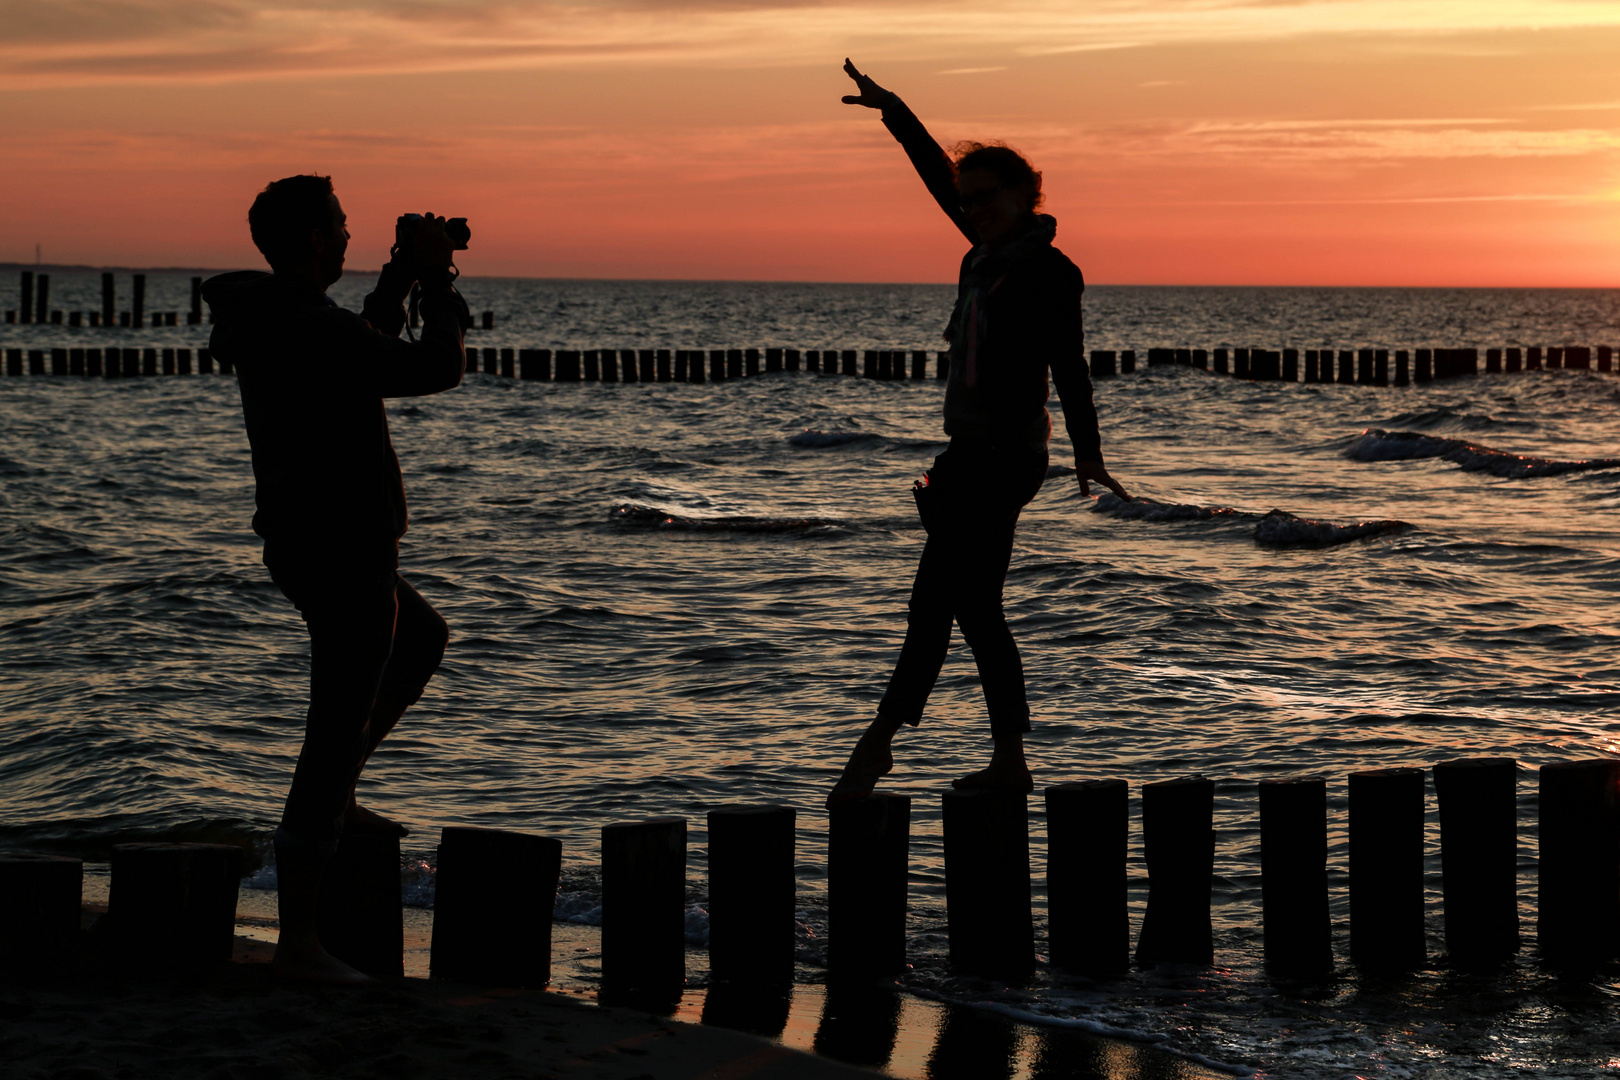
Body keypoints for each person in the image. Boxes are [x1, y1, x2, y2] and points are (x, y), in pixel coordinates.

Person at [828, 61, 1130, 806]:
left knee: (939, 603)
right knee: (973, 607)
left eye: (988, 197)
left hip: (1008, 459)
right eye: (968, 202)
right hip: (966, 456)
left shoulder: (1050, 272)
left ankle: (878, 744)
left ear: (1027, 196)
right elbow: (938, 176)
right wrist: (896, 112)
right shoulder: (979, 255)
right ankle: (1006, 761)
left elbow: (1071, 366)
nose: (974, 209)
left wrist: (1088, 451)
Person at [205, 175, 471, 983]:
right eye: (343, 228)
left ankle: (340, 793)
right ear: (317, 241)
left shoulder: (287, 317)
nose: (352, 238)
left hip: (314, 541)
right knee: (331, 731)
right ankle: (301, 942)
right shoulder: (303, 325)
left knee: (420, 639)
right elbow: (431, 368)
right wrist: (438, 285)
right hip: (341, 546)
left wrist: (400, 274)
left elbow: (366, 342)